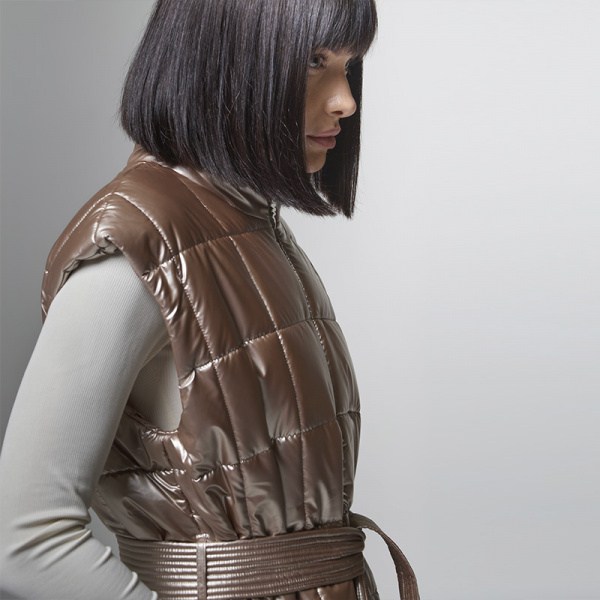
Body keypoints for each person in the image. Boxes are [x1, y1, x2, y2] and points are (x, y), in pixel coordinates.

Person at [0, 1, 419, 599]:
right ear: (225, 57)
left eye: (349, 66)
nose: (345, 100)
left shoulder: (251, 224)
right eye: (314, 61)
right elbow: (26, 541)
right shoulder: (136, 246)